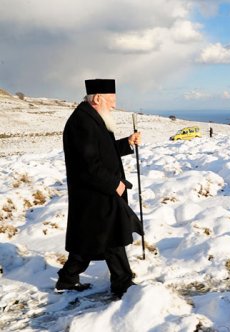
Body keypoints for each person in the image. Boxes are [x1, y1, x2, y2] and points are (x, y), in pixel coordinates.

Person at [55, 79, 143, 298]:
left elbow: (104, 151)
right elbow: (89, 163)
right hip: (96, 191)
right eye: (111, 101)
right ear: (97, 98)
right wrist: (115, 184)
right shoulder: (82, 123)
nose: (114, 105)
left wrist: (127, 143)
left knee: (89, 238)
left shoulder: (91, 118)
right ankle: (123, 284)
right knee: (112, 236)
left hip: (95, 191)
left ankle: (67, 279)